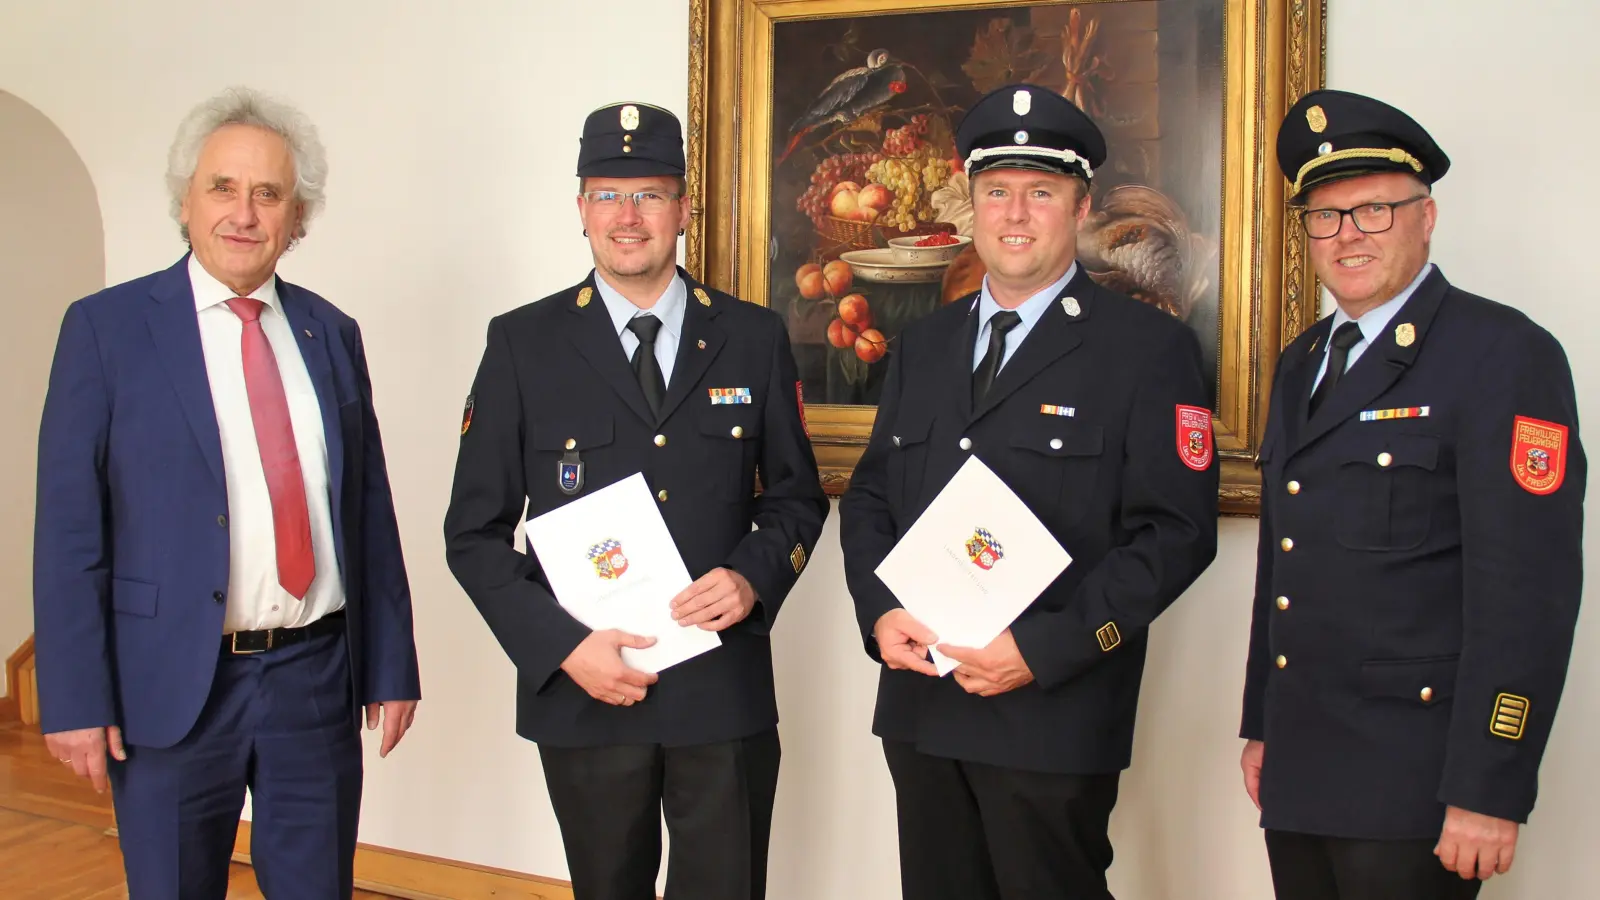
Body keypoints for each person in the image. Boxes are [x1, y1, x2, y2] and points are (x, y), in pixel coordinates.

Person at [33, 85, 422, 898]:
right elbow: (69, 531)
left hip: (314, 679)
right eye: (223, 187)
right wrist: (72, 698)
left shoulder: (330, 333)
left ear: (296, 218)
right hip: (169, 684)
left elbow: (367, 513)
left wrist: (391, 665)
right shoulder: (105, 331)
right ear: (186, 200)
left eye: (268, 194)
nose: (244, 213)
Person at [838, 83, 1220, 900]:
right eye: (996, 191)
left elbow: (1177, 534)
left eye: (1040, 192)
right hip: (924, 703)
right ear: (971, 206)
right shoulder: (924, 344)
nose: (1015, 214)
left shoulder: (1148, 350)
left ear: (1080, 208)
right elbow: (871, 497)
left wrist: (1044, 650)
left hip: (1055, 711)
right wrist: (880, 610)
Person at [443, 101, 827, 900]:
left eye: (649, 194)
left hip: (720, 690)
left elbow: (797, 499)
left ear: (683, 209)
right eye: (608, 195)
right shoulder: (522, 344)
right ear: (581, 208)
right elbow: (473, 534)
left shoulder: (752, 337)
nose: (628, 216)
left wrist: (753, 577)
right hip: (588, 688)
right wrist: (560, 646)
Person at [1238, 88, 1586, 900]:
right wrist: (1263, 724)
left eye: (1374, 210)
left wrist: (1490, 785)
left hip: (1419, 782)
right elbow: (1284, 565)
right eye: (1325, 217)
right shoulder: (1302, 362)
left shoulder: (1503, 354)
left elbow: (1528, 592)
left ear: (1425, 217)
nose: (1347, 235)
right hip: (1303, 767)